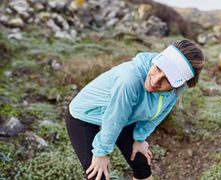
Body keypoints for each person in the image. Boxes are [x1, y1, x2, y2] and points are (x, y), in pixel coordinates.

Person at [65, 39, 205, 180]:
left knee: (141, 162)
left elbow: (158, 115)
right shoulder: (129, 80)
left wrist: (140, 138)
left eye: (168, 80)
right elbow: (115, 118)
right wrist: (101, 153)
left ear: (179, 83)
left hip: (125, 116)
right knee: (97, 175)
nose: (155, 80)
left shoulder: (176, 90)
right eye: (158, 68)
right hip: (84, 115)